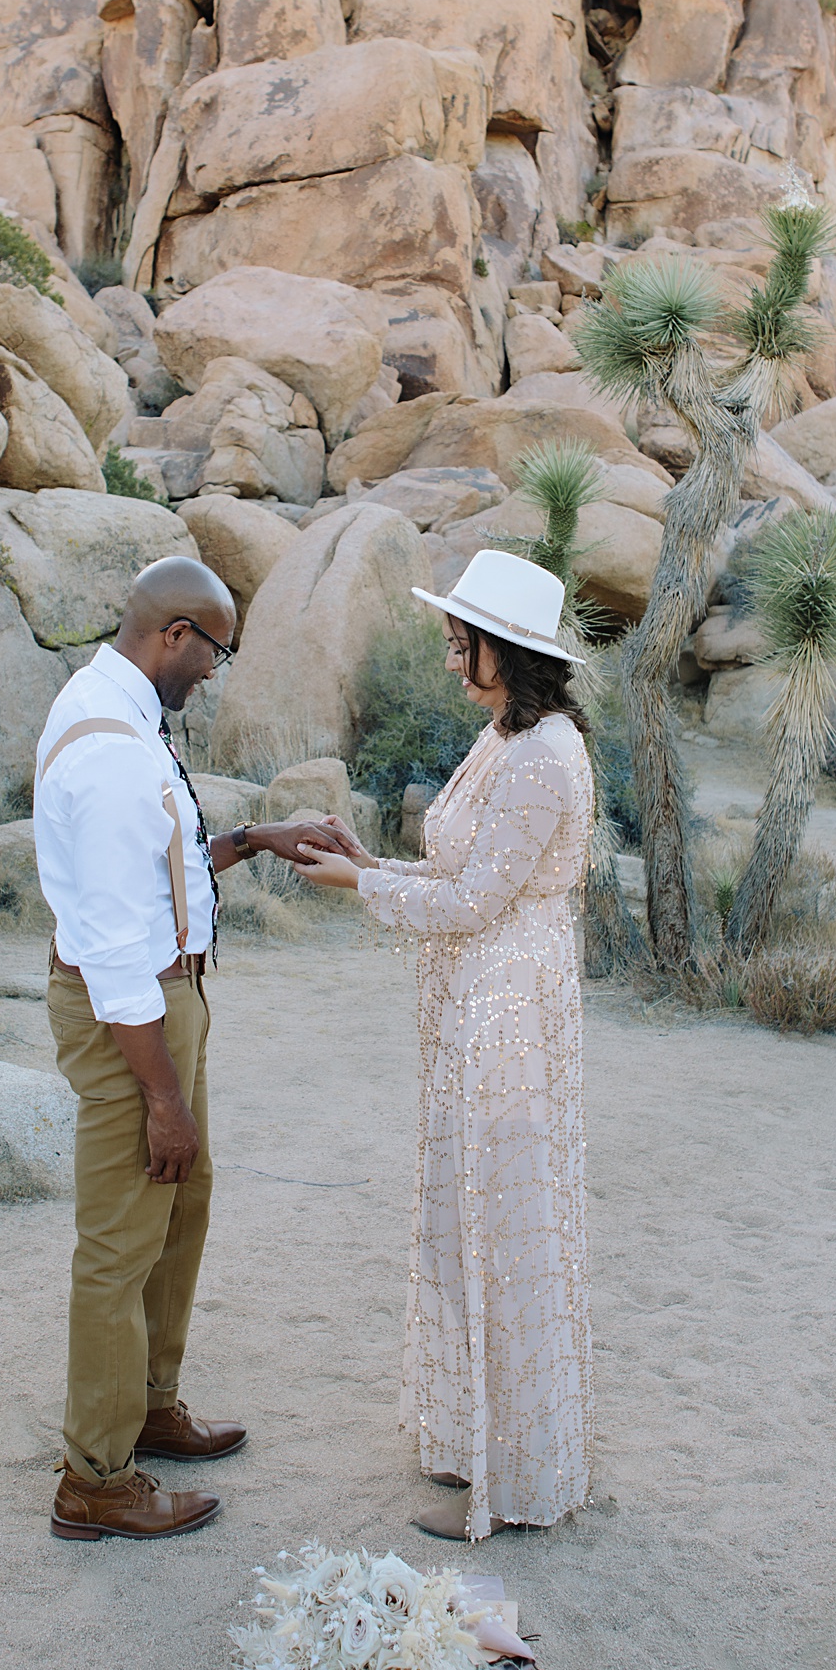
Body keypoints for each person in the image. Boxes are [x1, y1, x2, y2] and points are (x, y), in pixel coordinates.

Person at [34, 554, 354, 1544]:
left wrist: (255, 839)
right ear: (174, 633)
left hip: (165, 1002)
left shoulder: (122, 715)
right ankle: (94, 1474)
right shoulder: (110, 753)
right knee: (121, 1240)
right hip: (132, 1015)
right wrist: (160, 1097)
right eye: (215, 649)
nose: (217, 669)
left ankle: (150, 1404)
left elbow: (152, 874)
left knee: (181, 1208)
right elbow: (114, 948)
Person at [294, 548, 596, 1543]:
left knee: (502, 1229)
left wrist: (356, 890)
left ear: (500, 649)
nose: (448, 651)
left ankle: (510, 1478)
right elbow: (454, 867)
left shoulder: (544, 755)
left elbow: (473, 901)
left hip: (508, 1006)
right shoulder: (505, 739)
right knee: (467, 1217)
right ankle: (477, 1442)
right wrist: (368, 859)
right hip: (479, 994)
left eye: (459, 638)